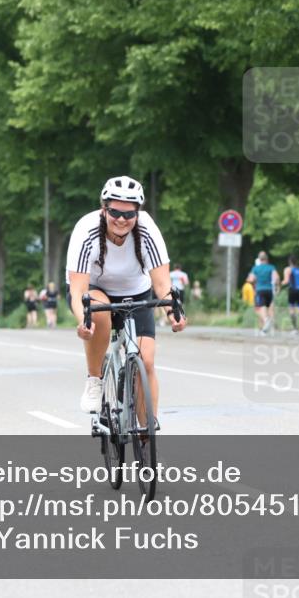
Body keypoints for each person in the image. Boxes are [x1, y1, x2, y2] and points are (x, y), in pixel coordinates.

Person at [66, 175, 187, 421]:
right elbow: (77, 290)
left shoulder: (147, 230)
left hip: (136, 292)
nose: (121, 220)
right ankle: (94, 380)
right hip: (96, 289)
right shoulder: (86, 229)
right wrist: (83, 320)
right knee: (98, 312)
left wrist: (173, 313)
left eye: (129, 214)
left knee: (147, 362)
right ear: (104, 209)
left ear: (137, 214)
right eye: (114, 212)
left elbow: (162, 282)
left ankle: (146, 437)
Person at [247, 251, 280, 335]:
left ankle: (266, 320)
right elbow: (276, 278)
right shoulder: (271, 267)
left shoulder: (256, 268)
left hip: (260, 290)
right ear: (267, 259)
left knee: (261, 307)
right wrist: (277, 288)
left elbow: (251, 279)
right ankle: (266, 330)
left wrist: (253, 283)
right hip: (270, 290)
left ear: (259, 259)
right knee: (269, 308)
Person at [282, 255, 299, 333]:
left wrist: (282, 283)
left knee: (292, 309)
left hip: (292, 291)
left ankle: (295, 329)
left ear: (289, 262)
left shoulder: (288, 269)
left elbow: (286, 281)